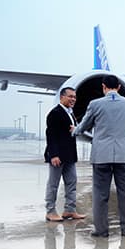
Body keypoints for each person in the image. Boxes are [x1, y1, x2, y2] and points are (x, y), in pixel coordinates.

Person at [72, 75, 125, 237]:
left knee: (100, 194)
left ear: (103, 87)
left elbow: (84, 126)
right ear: (119, 87)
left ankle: (101, 230)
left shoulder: (95, 104)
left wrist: (75, 130)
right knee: (124, 192)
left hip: (101, 155)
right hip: (123, 155)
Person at [44, 87, 86, 222]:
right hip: (58, 156)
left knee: (72, 182)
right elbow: (51, 135)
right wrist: (54, 155)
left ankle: (70, 210)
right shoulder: (55, 113)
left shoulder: (70, 113)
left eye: (74, 97)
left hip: (69, 155)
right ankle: (50, 211)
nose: (73, 99)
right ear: (62, 97)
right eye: (70, 96)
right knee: (53, 184)